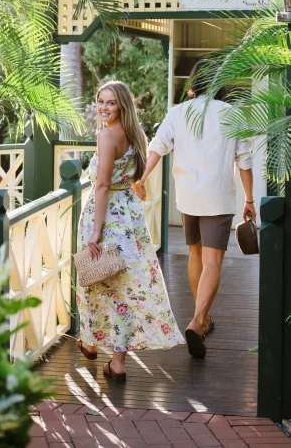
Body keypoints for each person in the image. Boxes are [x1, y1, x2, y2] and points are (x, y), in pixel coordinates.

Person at [135, 61, 255, 359]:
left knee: (195, 253)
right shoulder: (232, 113)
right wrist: (249, 200)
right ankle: (198, 320)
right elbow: (244, 160)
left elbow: (157, 147)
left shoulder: (178, 112)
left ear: (193, 83)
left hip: (188, 196)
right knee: (213, 261)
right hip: (217, 196)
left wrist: (142, 178)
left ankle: (203, 317)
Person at [76, 80, 184, 383]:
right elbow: (133, 177)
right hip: (130, 220)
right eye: (100, 101)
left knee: (93, 280)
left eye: (110, 102)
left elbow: (102, 185)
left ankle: (90, 342)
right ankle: (118, 362)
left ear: (122, 105)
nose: (103, 107)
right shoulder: (136, 135)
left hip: (106, 217)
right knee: (125, 290)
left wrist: (96, 231)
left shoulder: (106, 136)